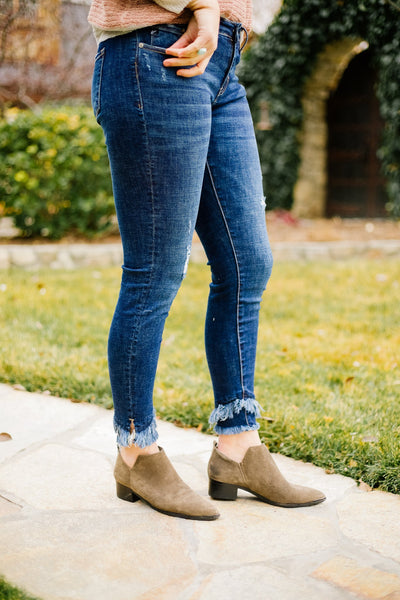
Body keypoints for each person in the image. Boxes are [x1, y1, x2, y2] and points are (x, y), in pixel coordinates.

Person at [88, 0, 326, 520]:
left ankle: (238, 446)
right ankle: (135, 449)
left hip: (221, 67)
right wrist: (202, 7)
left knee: (248, 263)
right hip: (154, 55)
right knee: (156, 269)